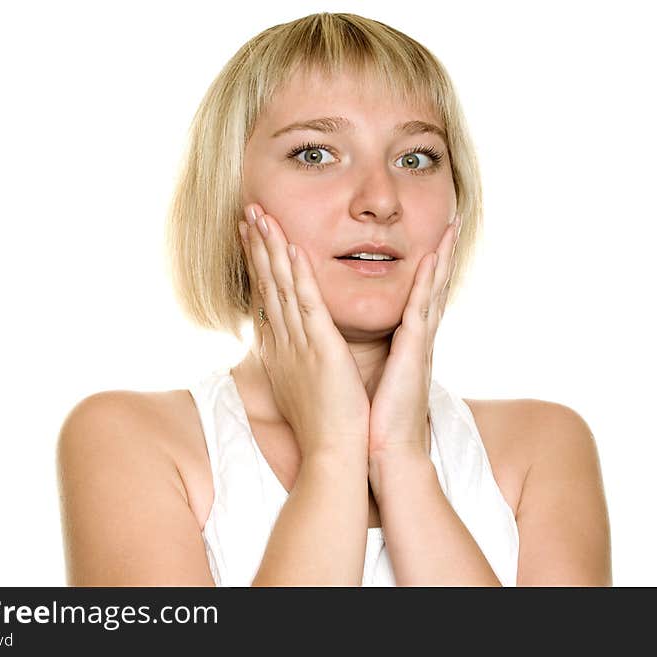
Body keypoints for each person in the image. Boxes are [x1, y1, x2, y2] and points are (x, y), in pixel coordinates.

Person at [56, 12, 611, 586]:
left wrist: (401, 459)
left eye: (415, 158)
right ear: (228, 191)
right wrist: (334, 454)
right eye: (316, 154)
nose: (380, 199)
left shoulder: (542, 448)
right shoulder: (131, 439)